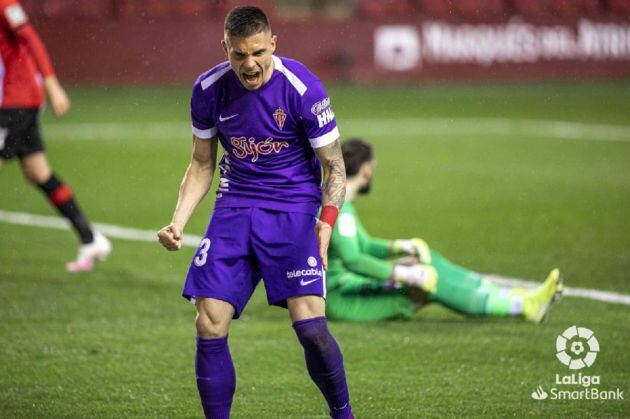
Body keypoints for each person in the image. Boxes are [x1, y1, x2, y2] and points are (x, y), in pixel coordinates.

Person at [157, 6, 353, 419]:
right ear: (225, 48)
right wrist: (178, 221)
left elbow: (334, 166)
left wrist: (326, 223)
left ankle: (343, 414)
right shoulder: (208, 89)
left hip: (293, 209)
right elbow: (202, 163)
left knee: (312, 329)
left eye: (259, 53)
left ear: (273, 44)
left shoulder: (303, 88)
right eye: (239, 55)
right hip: (235, 207)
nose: (250, 64)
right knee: (209, 321)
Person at [326, 138, 564, 323]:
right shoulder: (340, 210)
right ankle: (523, 306)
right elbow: (354, 260)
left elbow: (363, 246)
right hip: (345, 299)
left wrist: (400, 246)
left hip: (347, 288)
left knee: (428, 262)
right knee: (426, 285)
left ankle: (516, 295)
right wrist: (404, 274)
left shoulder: (341, 206)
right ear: (366, 169)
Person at [0, 0, 111, 272]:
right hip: (15, 100)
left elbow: (31, 38)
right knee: (38, 172)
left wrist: (52, 85)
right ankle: (90, 238)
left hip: (16, 101)